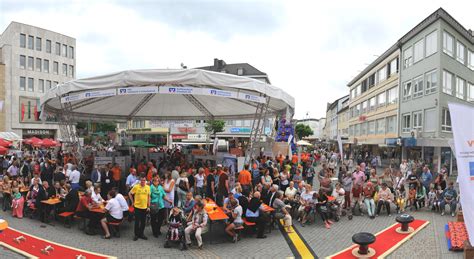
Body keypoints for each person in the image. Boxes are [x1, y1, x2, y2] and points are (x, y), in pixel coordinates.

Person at [129, 175, 151, 241]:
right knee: (137, 222)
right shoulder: (136, 187)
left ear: (145, 181)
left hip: (144, 207)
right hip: (137, 207)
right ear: (139, 181)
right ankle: (136, 235)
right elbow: (129, 193)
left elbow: (149, 197)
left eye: (144, 180)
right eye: (141, 180)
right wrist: (132, 202)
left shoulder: (148, 187)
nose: (143, 181)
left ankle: (141, 234)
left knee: (143, 222)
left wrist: (148, 206)